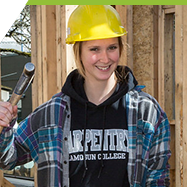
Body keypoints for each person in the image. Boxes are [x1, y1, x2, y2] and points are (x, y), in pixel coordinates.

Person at [0, 5, 171, 187]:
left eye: (112, 47)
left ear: (121, 48)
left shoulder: (147, 113)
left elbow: (158, 180)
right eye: (94, 49)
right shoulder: (50, 115)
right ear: (79, 52)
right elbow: (7, 159)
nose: (105, 58)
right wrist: (5, 128)